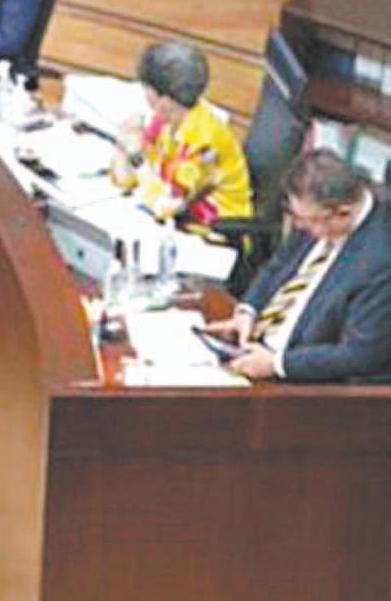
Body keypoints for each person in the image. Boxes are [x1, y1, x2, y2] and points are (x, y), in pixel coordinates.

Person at [202, 151, 391, 384]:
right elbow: (275, 268)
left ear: (342, 213)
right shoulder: (316, 213)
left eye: (307, 220)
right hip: (255, 349)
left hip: (302, 382)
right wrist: (247, 311)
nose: (300, 227)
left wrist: (277, 364)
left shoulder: (381, 261)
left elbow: (361, 355)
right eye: (296, 217)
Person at [110, 41, 253, 225]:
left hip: (213, 228)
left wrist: (136, 156)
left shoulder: (205, 143)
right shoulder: (164, 122)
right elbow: (126, 180)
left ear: (165, 100)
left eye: (147, 90)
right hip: (181, 222)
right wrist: (124, 144)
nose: (145, 95)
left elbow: (166, 207)